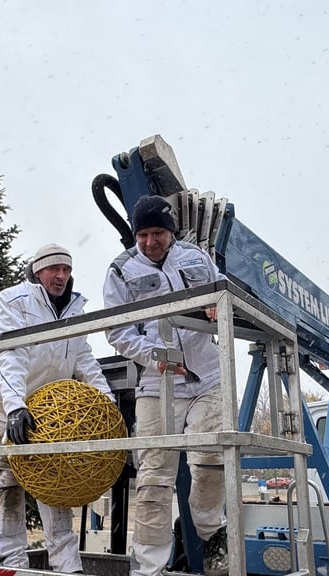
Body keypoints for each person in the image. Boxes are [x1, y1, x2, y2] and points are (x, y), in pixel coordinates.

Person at [102, 195, 228, 576]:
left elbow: (221, 293)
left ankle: (212, 534)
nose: (150, 241)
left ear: (170, 231)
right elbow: (116, 330)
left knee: (212, 458)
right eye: (142, 234)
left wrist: (217, 303)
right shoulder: (121, 270)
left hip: (208, 377)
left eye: (157, 232)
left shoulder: (196, 258)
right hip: (157, 382)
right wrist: (156, 356)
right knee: (154, 476)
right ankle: (149, 568)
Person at [0, 243, 115, 573]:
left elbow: (84, 360)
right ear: (37, 271)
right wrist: (14, 407)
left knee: (57, 490)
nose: (61, 276)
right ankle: (11, 567)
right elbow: (9, 354)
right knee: (5, 493)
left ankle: (69, 567)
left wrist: (107, 402)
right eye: (54, 269)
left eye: (66, 270)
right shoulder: (13, 301)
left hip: (49, 420)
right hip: (2, 414)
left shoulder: (74, 310)